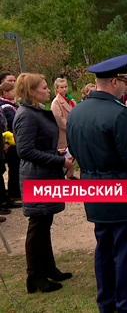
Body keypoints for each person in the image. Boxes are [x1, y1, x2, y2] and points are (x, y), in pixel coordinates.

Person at [66, 55, 127, 313]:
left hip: (93, 189)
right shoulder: (120, 114)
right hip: (122, 191)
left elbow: (73, 150)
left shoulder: (77, 111)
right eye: (124, 80)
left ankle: (107, 303)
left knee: (105, 250)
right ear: (113, 82)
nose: (126, 85)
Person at [14, 73, 74, 293]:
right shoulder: (26, 115)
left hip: (44, 173)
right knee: (37, 227)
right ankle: (35, 276)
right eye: (44, 87)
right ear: (31, 92)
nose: (48, 90)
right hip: (36, 176)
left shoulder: (35, 111)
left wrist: (55, 152)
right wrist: (59, 160)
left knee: (44, 224)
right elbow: (25, 151)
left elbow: (37, 145)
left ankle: (49, 267)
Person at [50, 78, 76, 179]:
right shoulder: (56, 102)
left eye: (65, 87)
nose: (64, 89)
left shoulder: (71, 100)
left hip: (72, 131)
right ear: (57, 89)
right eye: (62, 87)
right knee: (66, 156)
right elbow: (59, 120)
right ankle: (68, 177)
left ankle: (72, 175)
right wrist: (72, 128)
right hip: (64, 133)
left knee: (73, 156)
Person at [0, 81, 21, 203]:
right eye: (13, 90)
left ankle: (15, 192)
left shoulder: (12, 104)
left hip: (13, 140)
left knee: (16, 167)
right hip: (11, 141)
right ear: (5, 92)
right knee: (14, 168)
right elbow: (12, 122)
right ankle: (14, 193)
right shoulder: (6, 106)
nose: (15, 93)